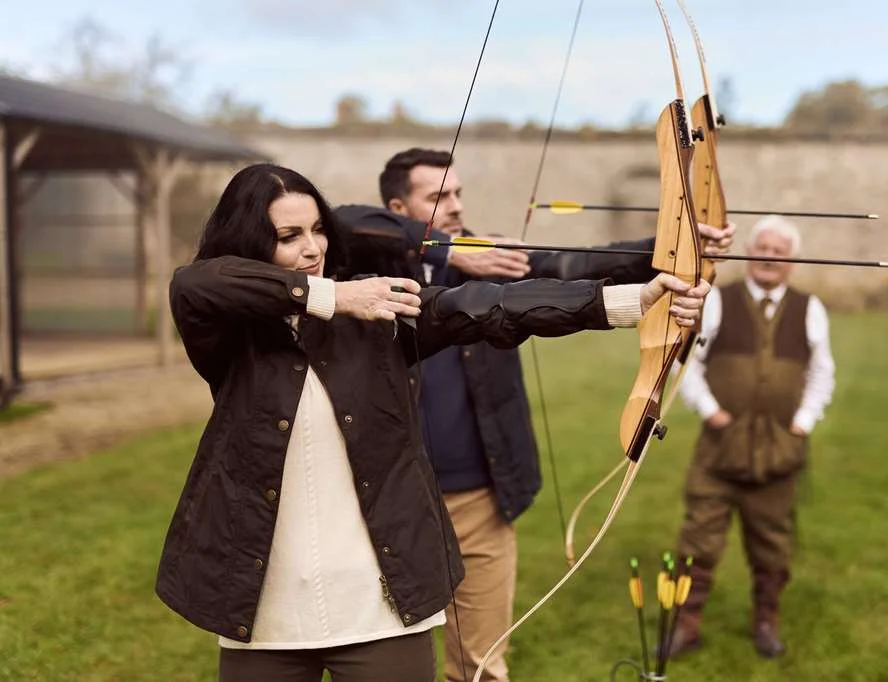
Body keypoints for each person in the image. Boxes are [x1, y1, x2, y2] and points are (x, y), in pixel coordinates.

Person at [154, 162, 711, 682]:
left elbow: (490, 306)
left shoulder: (379, 316)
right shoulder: (230, 334)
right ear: (251, 243)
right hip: (265, 607)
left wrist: (633, 300)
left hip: (380, 604)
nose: (312, 248)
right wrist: (334, 295)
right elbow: (196, 282)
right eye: (288, 237)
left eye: (317, 231)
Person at [372, 147, 734, 682]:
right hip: (389, 496)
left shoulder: (490, 255)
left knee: (480, 664)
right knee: (388, 661)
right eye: (437, 197)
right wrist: (446, 253)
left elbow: (573, 265)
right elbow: (347, 220)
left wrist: (671, 246)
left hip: (479, 493)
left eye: (457, 194)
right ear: (398, 208)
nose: (454, 206)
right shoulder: (360, 271)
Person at [664, 215, 836, 660]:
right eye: (762, 247)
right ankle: (686, 624)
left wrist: (803, 421)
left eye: (780, 252)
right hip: (719, 448)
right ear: (748, 251)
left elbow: (821, 373)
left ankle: (766, 622)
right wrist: (711, 411)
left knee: (773, 544)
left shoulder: (809, 308)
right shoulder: (718, 301)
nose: (769, 257)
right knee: (697, 540)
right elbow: (688, 364)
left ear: (792, 262)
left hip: (780, 452)